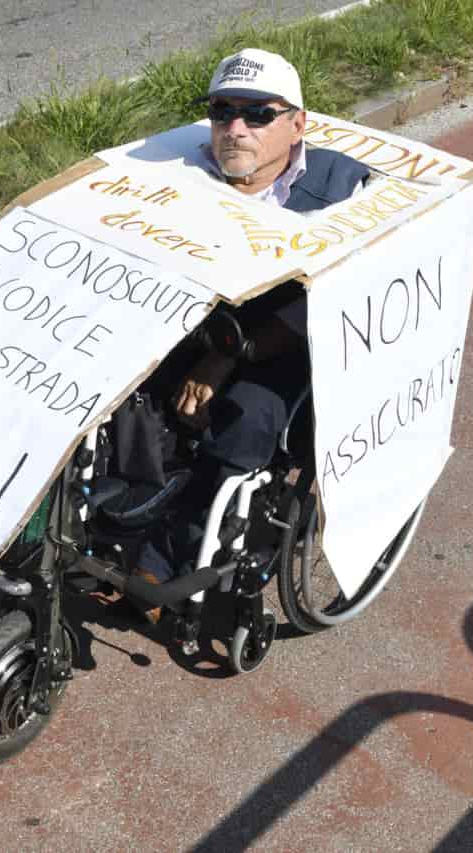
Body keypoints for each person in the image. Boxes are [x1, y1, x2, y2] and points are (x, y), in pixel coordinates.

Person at [131, 48, 371, 615]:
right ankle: (112, 516)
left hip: (280, 341)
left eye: (258, 114)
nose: (235, 129)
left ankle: (168, 557)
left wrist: (227, 356)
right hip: (192, 325)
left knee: (248, 418)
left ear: (297, 124)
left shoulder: (343, 187)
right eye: (222, 112)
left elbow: (331, 297)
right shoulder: (181, 174)